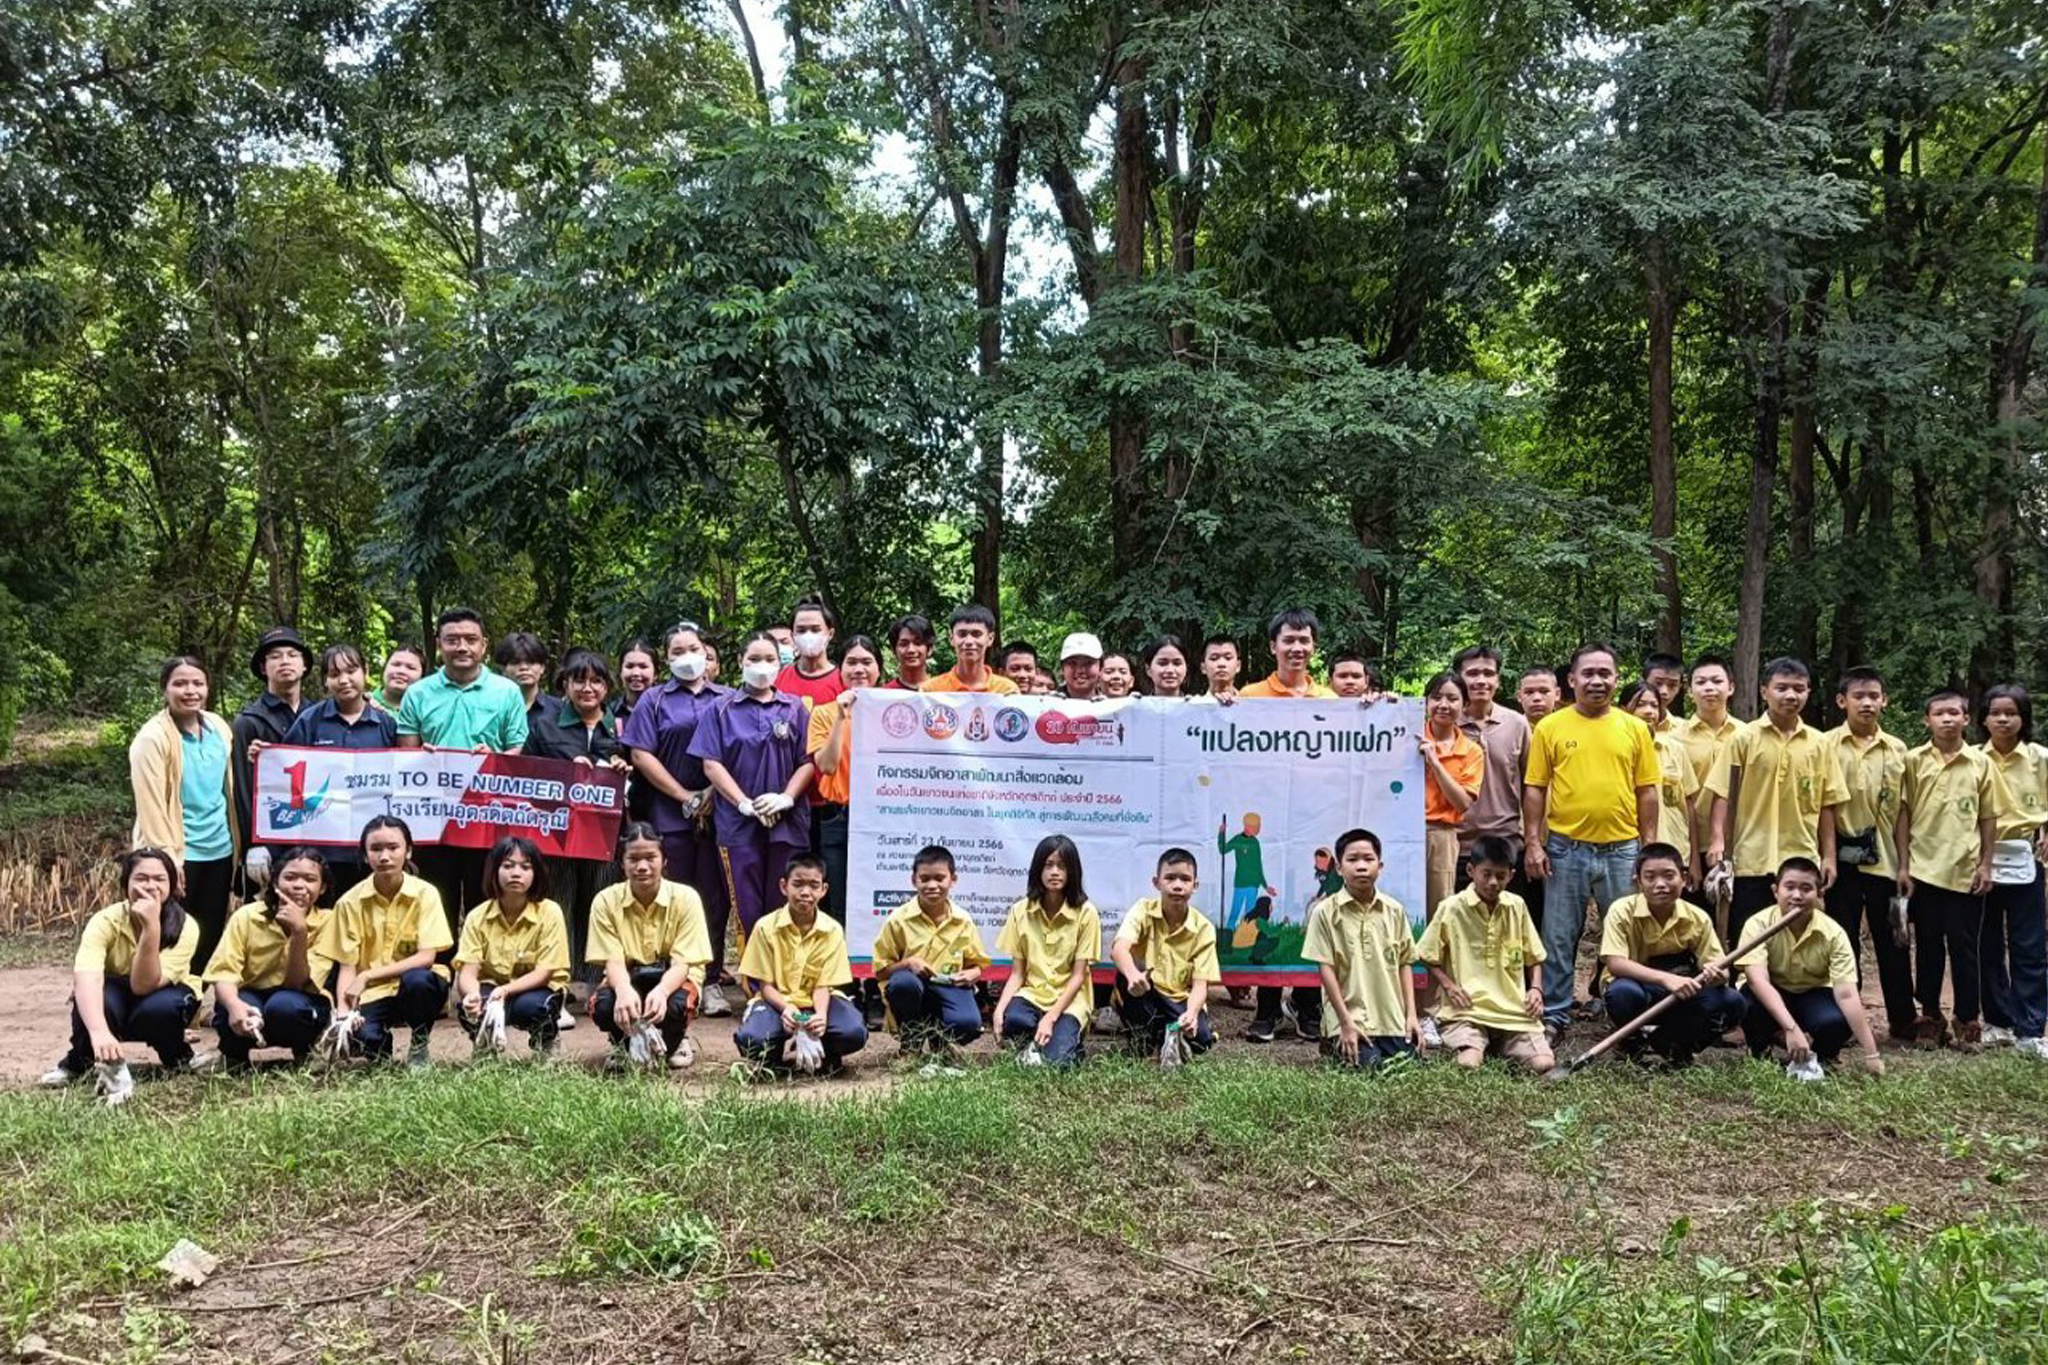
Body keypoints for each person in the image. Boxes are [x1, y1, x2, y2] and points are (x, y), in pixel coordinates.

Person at [1523, 643, 1661, 1037]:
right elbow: (1535, 788)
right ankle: (1554, 1014)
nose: (1597, 681)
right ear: (1572, 680)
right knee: (1559, 935)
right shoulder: (1551, 726)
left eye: (1605, 673)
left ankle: (1629, 1014)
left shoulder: (1634, 728)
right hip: (1566, 848)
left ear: (1617, 679)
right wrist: (1534, 842)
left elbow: (1647, 791)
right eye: (1588, 673)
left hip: (1623, 850)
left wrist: (1648, 848)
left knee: (1627, 935)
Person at [622, 621, 735, 1016]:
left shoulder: (730, 698)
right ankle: (675, 978)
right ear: (667, 659)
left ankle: (713, 979)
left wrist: (711, 793)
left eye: (694, 649)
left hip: (722, 811)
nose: (687, 657)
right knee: (673, 898)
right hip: (668, 813)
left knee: (714, 898)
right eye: (677, 651)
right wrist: (685, 796)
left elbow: (738, 754)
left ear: (707, 654)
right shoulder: (653, 700)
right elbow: (640, 755)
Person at [396, 608, 530, 925]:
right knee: (435, 897)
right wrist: (422, 757)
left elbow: (516, 751)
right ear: (439, 645)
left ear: (484, 644)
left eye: (470, 639)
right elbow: (406, 753)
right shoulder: (418, 692)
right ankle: (438, 967)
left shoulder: (507, 692)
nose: (462, 647)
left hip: (485, 813)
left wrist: (494, 758)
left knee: (483, 896)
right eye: (452, 640)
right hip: (434, 816)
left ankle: (479, 967)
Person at [687, 631, 816, 959]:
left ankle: (786, 977)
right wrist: (743, 803)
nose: (762, 666)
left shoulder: (794, 709)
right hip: (737, 825)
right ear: (741, 662)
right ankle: (755, 986)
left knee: (785, 901)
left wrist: (787, 797)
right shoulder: (720, 710)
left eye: (769, 659)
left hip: (787, 824)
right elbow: (711, 764)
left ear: (780, 663)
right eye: (754, 659)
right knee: (746, 906)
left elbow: (809, 762)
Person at [1704, 657, 1847, 946]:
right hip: (1749, 859)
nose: (1791, 695)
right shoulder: (1743, 739)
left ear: (1808, 692)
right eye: (1781, 688)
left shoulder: (1820, 744)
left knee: (1799, 940)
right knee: (1745, 940)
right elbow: (1722, 794)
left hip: (1800, 858)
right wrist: (1718, 840)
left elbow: (1827, 804)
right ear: (1764, 691)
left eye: (1799, 688)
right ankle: (1744, 992)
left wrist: (1829, 855)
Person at [39, 847, 203, 1097]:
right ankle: (79, 1062)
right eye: (141, 878)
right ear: (125, 885)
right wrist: (99, 1032)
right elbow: (87, 976)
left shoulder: (186, 926)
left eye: (160, 879)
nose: (151, 886)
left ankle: (178, 1057)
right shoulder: (105, 920)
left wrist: (151, 929)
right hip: (115, 987)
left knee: (160, 1008)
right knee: (96, 1000)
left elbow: (143, 986)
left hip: (161, 988)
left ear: (172, 884)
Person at [521, 647, 630, 1023]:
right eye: (579, 680)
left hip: (606, 834)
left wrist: (619, 766)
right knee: (560, 903)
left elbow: (636, 771)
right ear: (564, 683)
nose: (588, 688)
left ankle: (597, 979)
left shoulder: (618, 726)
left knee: (600, 902)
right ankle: (559, 982)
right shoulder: (544, 725)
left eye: (596, 681)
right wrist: (564, 770)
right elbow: (525, 774)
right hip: (557, 834)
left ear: (606, 686)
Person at [1894, 689, 1997, 1050]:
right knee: (1928, 948)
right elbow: (1903, 813)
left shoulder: (1981, 763)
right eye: (1939, 713)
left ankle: (1967, 1018)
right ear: (1927, 720)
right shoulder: (1913, 760)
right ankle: (1931, 1017)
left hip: (1964, 872)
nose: (1947, 719)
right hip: (1923, 870)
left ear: (1967, 719)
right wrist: (1903, 865)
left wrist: (1986, 863)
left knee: (1966, 948)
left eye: (1955, 713)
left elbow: (1988, 816)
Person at [1822, 667, 1915, 1042]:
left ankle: (1903, 1019)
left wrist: (1905, 864)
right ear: (1842, 701)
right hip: (1840, 862)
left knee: (1892, 938)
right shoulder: (1825, 745)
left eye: (1874, 696)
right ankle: (1846, 1020)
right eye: (1859, 696)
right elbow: (1824, 806)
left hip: (1886, 861)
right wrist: (1827, 856)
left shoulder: (1897, 749)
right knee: (1842, 940)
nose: (1867, 702)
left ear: (1884, 700)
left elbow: (1903, 811)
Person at [316, 816, 452, 1068]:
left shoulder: (426, 894)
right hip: (372, 994)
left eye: (393, 848)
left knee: (419, 981)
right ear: (365, 855)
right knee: (363, 1040)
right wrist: (345, 1016)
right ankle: (378, 1048)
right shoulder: (349, 902)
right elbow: (347, 967)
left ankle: (419, 1045)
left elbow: (426, 957)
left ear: (408, 851)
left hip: (413, 986)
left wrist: (367, 974)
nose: (384, 856)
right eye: (376, 849)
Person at [129, 656, 236, 972]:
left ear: (207, 687)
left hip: (220, 847)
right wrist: (167, 860)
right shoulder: (152, 738)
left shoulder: (218, 727)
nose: (190, 691)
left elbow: (229, 784)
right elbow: (150, 805)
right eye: (180, 683)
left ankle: (195, 996)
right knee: (172, 929)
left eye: (197, 683)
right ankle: (162, 999)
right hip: (179, 851)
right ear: (165, 690)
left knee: (210, 927)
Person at [1598, 842, 1744, 1066]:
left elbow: (1719, 968)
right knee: (1623, 994)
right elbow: (1615, 963)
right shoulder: (1621, 910)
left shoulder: (1698, 917)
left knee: (1731, 1002)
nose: (1660, 885)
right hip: (1638, 989)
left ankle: (1671, 1043)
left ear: (1683, 879)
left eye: (1668, 876)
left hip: (1682, 994)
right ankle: (1631, 1041)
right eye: (1650, 877)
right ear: (1638, 881)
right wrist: (1666, 979)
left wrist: (1717, 974)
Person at [1417, 835, 1552, 1074]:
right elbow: (1426, 954)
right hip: (1468, 1010)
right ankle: (1478, 1044)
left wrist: (1536, 989)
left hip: (1513, 1010)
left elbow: (1534, 956)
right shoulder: (1451, 907)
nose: (1493, 882)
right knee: (1468, 1063)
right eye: (1486, 874)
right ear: (1471, 870)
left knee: (1543, 1063)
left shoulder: (1517, 905)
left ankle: (1498, 1044)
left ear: (1511, 875)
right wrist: (1449, 986)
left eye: (1501, 876)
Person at [1738, 857, 1884, 1076]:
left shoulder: (1833, 933)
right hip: (1772, 991)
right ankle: (1761, 1050)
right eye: (1789, 887)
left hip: (1812, 993)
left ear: (1819, 894)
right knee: (1747, 1003)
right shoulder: (1757, 924)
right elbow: (1758, 981)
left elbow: (1847, 995)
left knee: (1837, 1020)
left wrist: (1872, 1055)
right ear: (1775, 890)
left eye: (1806, 889)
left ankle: (1819, 1056)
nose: (1797, 896)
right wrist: (1791, 1029)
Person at [588, 823, 713, 1071]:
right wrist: (623, 989)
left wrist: (663, 991)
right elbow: (612, 961)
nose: (642, 867)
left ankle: (677, 1041)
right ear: (621, 863)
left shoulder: (686, 898)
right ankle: (620, 1043)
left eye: (650, 858)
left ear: (664, 860)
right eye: (633, 859)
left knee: (676, 1005)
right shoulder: (605, 900)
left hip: (675, 976)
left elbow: (684, 963)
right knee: (604, 1005)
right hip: (627, 974)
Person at [203, 846, 336, 1071]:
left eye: (310, 879)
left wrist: (299, 932)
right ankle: (234, 1056)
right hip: (252, 994)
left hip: (298, 997)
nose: (299, 886)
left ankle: (305, 1050)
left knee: (284, 1006)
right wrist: (235, 1005)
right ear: (275, 882)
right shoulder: (247, 916)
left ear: (321, 888)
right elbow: (224, 972)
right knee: (232, 1006)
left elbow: (297, 983)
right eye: (290, 877)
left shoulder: (328, 921)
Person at [283, 645, 398, 900]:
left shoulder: (386, 724)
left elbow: (405, 778)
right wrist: (262, 754)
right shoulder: (309, 721)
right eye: (334, 674)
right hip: (321, 850)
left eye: (352, 670)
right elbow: (283, 771)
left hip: (371, 850)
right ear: (325, 680)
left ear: (366, 672)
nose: (344, 680)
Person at [733, 855, 868, 1073]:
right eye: (798, 885)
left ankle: (826, 1053)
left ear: (823, 890)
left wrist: (821, 1017)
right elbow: (765, 985)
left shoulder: (832, 930)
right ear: (784, 886)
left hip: (819, 1001)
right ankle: (773, 1056)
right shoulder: (765, 927)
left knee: (853, 1032)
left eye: (814, 886)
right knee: (752, 1040)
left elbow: (823, 985)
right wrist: (787, 1008)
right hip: (777, 1002)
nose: (805, 892)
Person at [1302, 828, 1418, 1069]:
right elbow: (1326, 970)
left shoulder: (1394, 910)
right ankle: (1331, 1040)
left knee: (1405, 1071)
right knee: (1369, 1068)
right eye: (1352, 860)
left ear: (1380, 865)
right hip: (1348, 1020)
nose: (1361, 866)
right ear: (1339, 868)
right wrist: (1345, 1022)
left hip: (1391, 1020)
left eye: (1368, 859)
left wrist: (1412, 1016)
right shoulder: (1325, 912)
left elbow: (1405, 963)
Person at [452, 836, 571, 1059]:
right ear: (494, 871)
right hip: (492, 987)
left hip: (534, 989)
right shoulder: (477, 916)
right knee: (471, 1008)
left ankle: (546, 1041)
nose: (516, 873)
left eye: (525, 867)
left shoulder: (550, 912)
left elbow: (544, 973)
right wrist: (472, 995)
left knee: (537, 1007)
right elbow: (467, 972)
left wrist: (504, 992)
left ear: (536, 873)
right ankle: (485, 1045)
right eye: (507, 866)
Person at [1978, 684, 2047, 1057]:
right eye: (1996, 712)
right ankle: (1998, 1022)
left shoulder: (2040, 758)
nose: (2003, 719)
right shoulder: (1974, 758)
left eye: (2012, 713)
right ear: (1984, 718)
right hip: (1983, 859)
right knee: (1987, 944)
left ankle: (2031, 1028)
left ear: (2023, 718)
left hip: (2025, 856)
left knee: (2029, 945)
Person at [993, 835, 1100, 1068]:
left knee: (1058, 1063)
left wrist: (1050, 1018)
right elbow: (1018, 974)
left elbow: (1078, 976)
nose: (1055, 872)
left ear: (1073, 872)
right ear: (1037, 870)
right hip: (1033, 993)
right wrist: (999, 1010)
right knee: (1014, 1022)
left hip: (1070, 999)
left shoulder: (1086, 913)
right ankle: (1041, 1041)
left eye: (1062, 866)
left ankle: (1066, 1042)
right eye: (1048, 865)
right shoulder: (1020, 911)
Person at [872, 844, 989, 1053]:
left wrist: (972, 974)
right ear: (913, 880)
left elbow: (977, 965)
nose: (932, 885)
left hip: (949, 987)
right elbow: (880, 971)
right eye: (924, 879)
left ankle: (940, 1043)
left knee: (968, 1024)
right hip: (912, 989)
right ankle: (911, 1044)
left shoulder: (963, 921)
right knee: (903, 984)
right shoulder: (898, 920)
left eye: (939, 878)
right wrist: (908, 963)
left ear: (953, 879)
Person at [1454, 645, 1537, 925]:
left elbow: (1531, 786)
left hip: (1507, 843)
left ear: (1499, 680)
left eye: (1489, 673)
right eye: (1472, 673)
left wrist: (1533, 840)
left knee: (1508, 928)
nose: (1481, 680)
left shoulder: (1517, 724)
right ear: (1459, 677)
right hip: (1456, 845)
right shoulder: (1443, 721)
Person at [1112, 848, 1221, 1055]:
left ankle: (1165, 1032)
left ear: (1195, 885)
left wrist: (1191, 1013)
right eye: (1170, 878)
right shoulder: (1143, 909)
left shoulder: (1204, 928)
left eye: (1185, 879)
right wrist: (1133, 975)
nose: (1177, 886)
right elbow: (1119, 949)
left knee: (1200, 1042)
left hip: (1179, 998)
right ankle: (1140, 1034)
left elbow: (1200, 985)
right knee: (1127, 975)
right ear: (1157, 882)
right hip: (1146, 990)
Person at [806, 634, 882, 934]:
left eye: (867, 662)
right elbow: (825, 765)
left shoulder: (895, 710)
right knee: (839, 900)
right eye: (851, 662)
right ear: (840, 669)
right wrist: (841, 715)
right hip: (838, 816)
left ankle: (875, 976)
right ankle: (845, 978)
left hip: (883, 818)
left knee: (877, 899)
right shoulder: (825, 713)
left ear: (879, 669)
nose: (859, 669)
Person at [231, 626, 313, 898]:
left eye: (292, 655)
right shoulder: (249, 721)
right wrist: (253, 845)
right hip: (270, 842)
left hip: (314, 835)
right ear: (263, 668)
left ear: (304, 665)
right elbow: (242, 789)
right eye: (275, 656)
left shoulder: (319, 715)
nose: (285, 661)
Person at [1419, 671, 1484, 926]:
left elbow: (1463, 803)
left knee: (1438, 909)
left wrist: (1434, 762)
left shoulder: (1471, 751)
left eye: (1452, 699)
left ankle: (1433, 965)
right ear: (1426, 702)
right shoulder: (1405, 736)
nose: (1443, 705)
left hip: (1441, 834)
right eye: (1436, 698)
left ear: (1465, 705)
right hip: (1399, 833)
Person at [1621, 682, 1699, 882]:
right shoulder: (1614, 751)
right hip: (1627, 855)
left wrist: (1695, 862)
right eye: (1640, 705)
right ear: (1623, 709)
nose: (1648, 712)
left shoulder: (1675, 750)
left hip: (1674, 851)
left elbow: (1688, 804)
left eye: (1654, 706)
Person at [1676, 655, 1740, 857]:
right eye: (1701, 682)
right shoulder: (1675, 739)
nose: (1709, 688)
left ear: (1730, 688)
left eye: (1717, 681)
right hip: (1687, 841)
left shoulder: (1747, 735)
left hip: (1738, 840)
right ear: (1689, 691)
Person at [1239, 608, 1335, 700]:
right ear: (1273, 647)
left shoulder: (1328, 699)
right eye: (1289, 641)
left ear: (1313, 647)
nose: (1297, 648)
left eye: (1304, 641)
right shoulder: (1250, 696)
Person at [926, 606, 1020, 694]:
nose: (969, 641)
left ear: (990, 639)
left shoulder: (1006, 690)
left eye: (976, 634)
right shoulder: (931, 690)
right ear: (951, 638)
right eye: (962, 634)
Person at [778, 597, 846, 708]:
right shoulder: (779, 679)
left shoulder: (843, 680)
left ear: (830, 633)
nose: (808, 635)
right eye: (801, 630)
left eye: (815, 629)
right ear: (792, 635)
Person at [496, 631, 559, 733]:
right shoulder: (492, 708)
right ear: (503, 669)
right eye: (515, 662)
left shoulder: (559, 711)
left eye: (531, 662)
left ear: (542, 667)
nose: (524, 668)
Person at [885, 615, 936, 691]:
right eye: (903, 644)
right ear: (893, 650)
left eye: (918, 643)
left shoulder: (943, 693)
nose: (911, 650)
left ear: (930, 649)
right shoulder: (885, 694)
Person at [1642, 652, 1685, 731]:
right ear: (1643, 682)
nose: (1664, 691)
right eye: (1658, 683)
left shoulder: (1684, 729)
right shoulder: (1622, 723)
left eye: (1672, 685)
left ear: (1679, 688)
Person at [377, 645, 425, 714]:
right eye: (396, 664)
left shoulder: (427, 711)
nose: (401, 671)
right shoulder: (363, 702)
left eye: (410, 668)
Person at [1058, 633, 1104, 700]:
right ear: (1062, 668)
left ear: (1100, 668)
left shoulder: (1112, 708)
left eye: (1088, 663)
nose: (1080, 670)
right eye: (1072, 663)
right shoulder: (1046, 706)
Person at [1198, 635, 1241, 702]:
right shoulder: (1196, 706)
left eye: (1228, 658)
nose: (1221, 664)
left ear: (1238, 666)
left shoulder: (1250, 705)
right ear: (1203, 668)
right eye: (1214, 658)